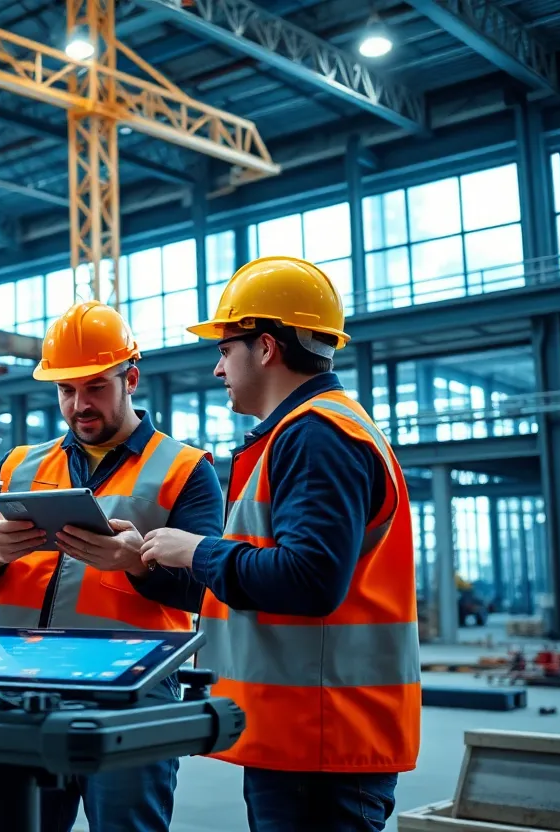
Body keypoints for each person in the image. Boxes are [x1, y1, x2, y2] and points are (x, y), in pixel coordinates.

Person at [140, 256, 421, 832]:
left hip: (323, 738)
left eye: (224, 349)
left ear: (265, 347)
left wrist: (196, 550)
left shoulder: (318, 436)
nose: (218, 369)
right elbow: (262, 579)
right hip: (305, 732)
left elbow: (308, 580)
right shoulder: (308, 432)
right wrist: (146, 559)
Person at [0, 300, 225, 832]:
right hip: (15, 689)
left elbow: (206, 589)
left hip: (129, 695)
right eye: (66, 391)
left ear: (131, 378)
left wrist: (135, 564)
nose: (79, 405)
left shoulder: (186, 471)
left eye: (95, 387)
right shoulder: (19, 464)